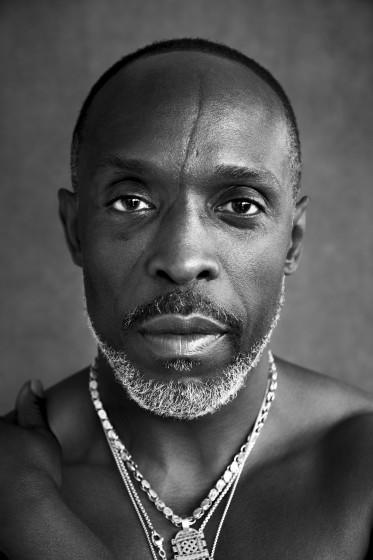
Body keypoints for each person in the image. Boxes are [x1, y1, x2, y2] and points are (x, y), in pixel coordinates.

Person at [0, 38, 372, 560]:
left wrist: (33, 514)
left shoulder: (361, 469)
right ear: (75, 230)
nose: (181, 258)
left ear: (292, 240)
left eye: (240, 204)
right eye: (131, 201)